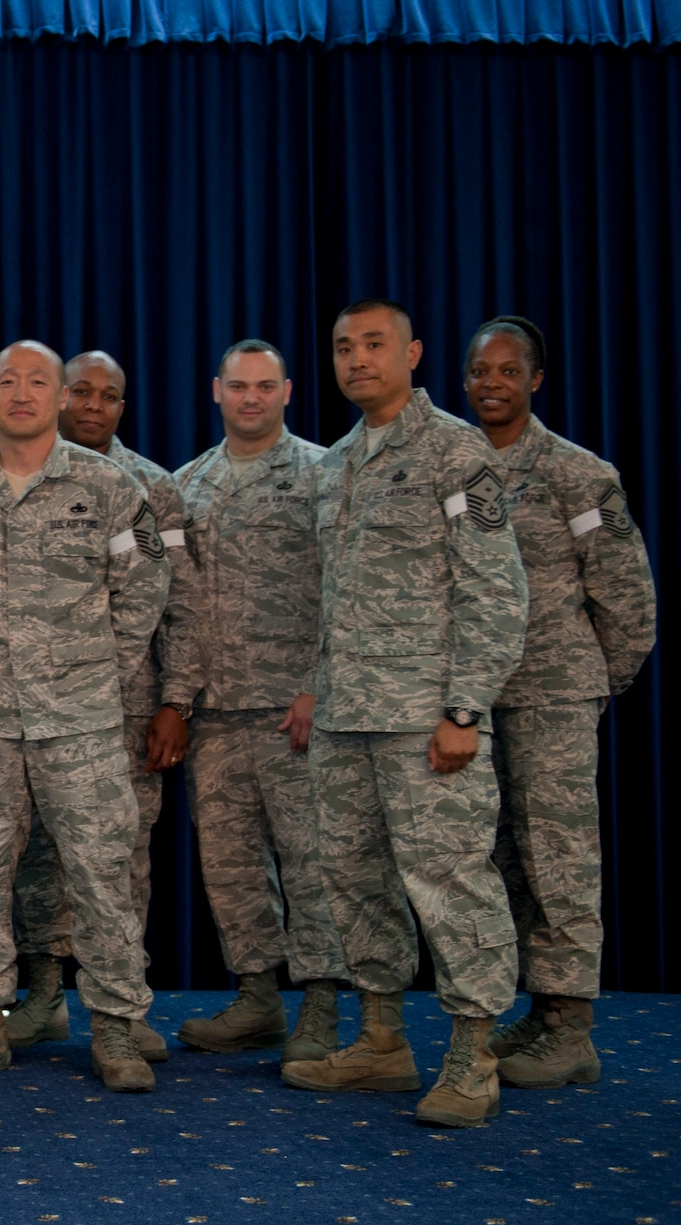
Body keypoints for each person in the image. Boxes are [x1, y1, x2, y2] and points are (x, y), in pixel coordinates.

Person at [280, 298, 528, 1129]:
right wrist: (317, 685)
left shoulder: (454, 452)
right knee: (353, 879)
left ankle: (474, 1054)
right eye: (344, 346)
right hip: (348, 714)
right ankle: (381, 1040)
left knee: (451, 882)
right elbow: (332, 598)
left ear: (413, 353)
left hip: (427, 717)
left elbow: (495, 590)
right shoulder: (337, 462)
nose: (357, 359)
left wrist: (465, 707)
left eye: (374, 344)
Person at [0, 340, 170, 1093]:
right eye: (7, 381)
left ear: (61, 397)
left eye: (38, 383)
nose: (21, 393)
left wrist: (88, 675)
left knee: (101, 876)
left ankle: (117, 1028)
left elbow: (141, 598)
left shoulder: (111, 487)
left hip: (81, 722)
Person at [462, 316, 655, 1087]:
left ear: (536, 381)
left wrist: (598, 681)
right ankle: (539, 1012)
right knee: (502, 856)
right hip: (475, 695)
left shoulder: (578, 474)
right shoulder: (456, 466)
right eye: (480, 372)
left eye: (508, 372)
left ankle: (572, 1026)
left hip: (553, 695)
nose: (491, 385)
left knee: (560, 853)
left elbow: (628, 595)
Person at [4, 350, 197, 1066]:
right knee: (35, 858)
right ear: (56, 398)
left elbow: (181, 605)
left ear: (122, 406)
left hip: (122, 706)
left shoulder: (151, 488)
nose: (92, 406)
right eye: (80, 392)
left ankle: (123, 1006)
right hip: (25, 709)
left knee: (117, 858)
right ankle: (45, 997)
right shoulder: (9, 478)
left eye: (108, 396)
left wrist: (176, 699)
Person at [169, 340, 349, 1057]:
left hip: (291, 708)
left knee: (311, 862)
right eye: (238, 386)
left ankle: (325, 1005)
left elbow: (346, 587)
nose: (250, 398)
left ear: (287, 391)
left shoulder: (322, 473)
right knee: (231, 864)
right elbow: (175, 605)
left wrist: (316, 686)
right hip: (214, 713)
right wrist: (178, 701)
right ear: (215, 390)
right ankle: (257, 996)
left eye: (264, 386)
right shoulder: (188, 484)